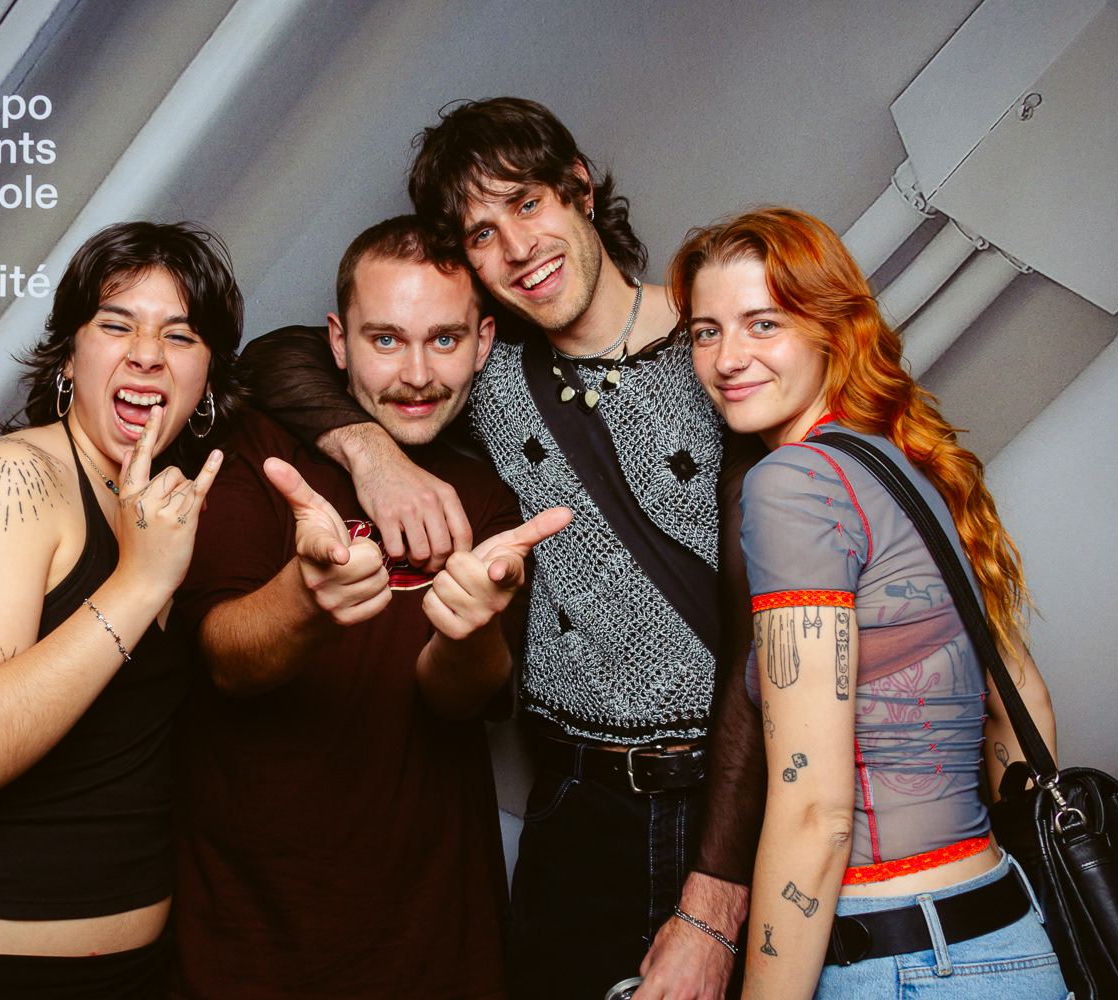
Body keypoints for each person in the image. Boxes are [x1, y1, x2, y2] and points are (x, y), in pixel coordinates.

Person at [239, 98, 765, 1000]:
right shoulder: (488, 373)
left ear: (580, 191)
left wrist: (716, 902)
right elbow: (274, 358)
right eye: (482, 233)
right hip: (577, 804)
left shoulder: (720, 347)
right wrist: (371, 456)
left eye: (528, 203)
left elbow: (773, 632)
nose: (518, 248)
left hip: (731, 796)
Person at [167, 216, 570, 1000]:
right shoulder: (259, 451)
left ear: (483, 343)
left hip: (430, 939)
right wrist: (304, 599)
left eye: (445, 340)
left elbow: (459, 699)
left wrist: (470, 631)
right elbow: (226, 660)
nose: (417, 374)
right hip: (249, 936)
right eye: (386, 340)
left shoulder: (488, 498)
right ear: (338, 342)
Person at [673, 206, 1067, 999]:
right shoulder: (904, 462)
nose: (727, 359)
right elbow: (1022, 701)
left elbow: (816, 811)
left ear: (831, 329)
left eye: (762, 324)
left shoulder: (792, 485)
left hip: (902, 960)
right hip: (1005, 930)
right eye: (706, 332)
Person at [0, 221, 243, 998]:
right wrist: (138, 584)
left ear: (206, 377)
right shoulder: (5, 481)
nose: (147, 355)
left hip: (130, 970)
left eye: (180, 335)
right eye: (117, 325)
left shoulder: (160, 505)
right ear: (68, 356)